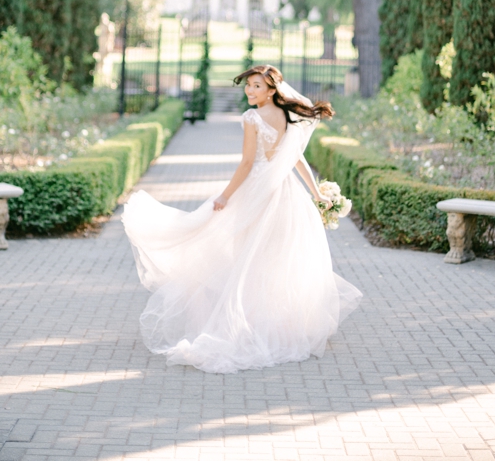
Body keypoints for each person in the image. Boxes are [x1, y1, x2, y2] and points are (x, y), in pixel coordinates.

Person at [120, 64, 362, 374]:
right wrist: (314, 193)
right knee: (273, 258)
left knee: (246, 257)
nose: (250, 91)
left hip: (258, 193)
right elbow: (296, 158)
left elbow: (248, 163)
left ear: (272, 90)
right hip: (285, 194)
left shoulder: (252, 118)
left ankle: (245, 322)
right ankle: (274, 322)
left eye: (257, 86)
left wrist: (225, 196)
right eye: (248, 85)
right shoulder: (287, 116)